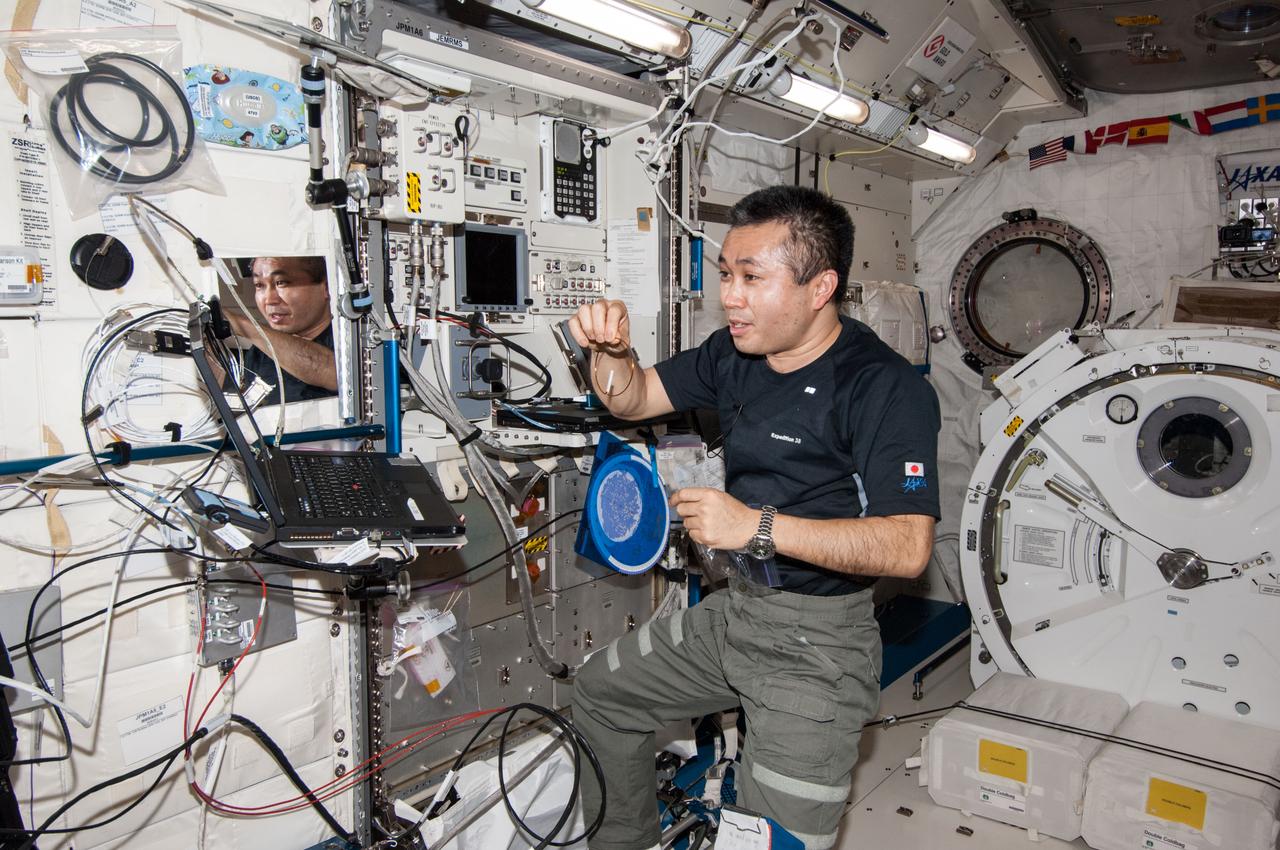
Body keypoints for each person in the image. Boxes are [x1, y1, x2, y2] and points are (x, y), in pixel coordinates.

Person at [568, 184, 940, 850]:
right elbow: (632, 399)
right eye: (725, 277)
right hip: (738, 614)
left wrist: (755, 528)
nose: (730, 297)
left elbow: (908, 547)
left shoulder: (883, 387)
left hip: (817, 647)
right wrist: (612, 353)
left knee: (768, 840)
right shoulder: (732, 354)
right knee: (600, 693)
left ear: (819, 286)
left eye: (751, 278)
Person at [226, 256, 338, 404]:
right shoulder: (259, 355)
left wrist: (242, 326)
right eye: (259, 285)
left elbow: (336, 373)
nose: (269, 299)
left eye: (281, 283)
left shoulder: (347, 339)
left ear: (326, 287)